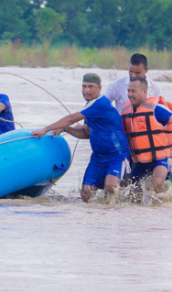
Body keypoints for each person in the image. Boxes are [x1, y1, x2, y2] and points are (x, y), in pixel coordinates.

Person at [31, 73, 129, 202]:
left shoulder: (100, 103)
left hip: (117, 155)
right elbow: (86, 133)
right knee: (86, 195)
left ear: (99, 88)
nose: (86, 90)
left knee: (111, 187)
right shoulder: (89, 107)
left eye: (90, 86)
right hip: (98, 158)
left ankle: (120, 206)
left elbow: (72, 118)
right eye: (84, 86)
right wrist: (67, 128)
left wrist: (45, 129)